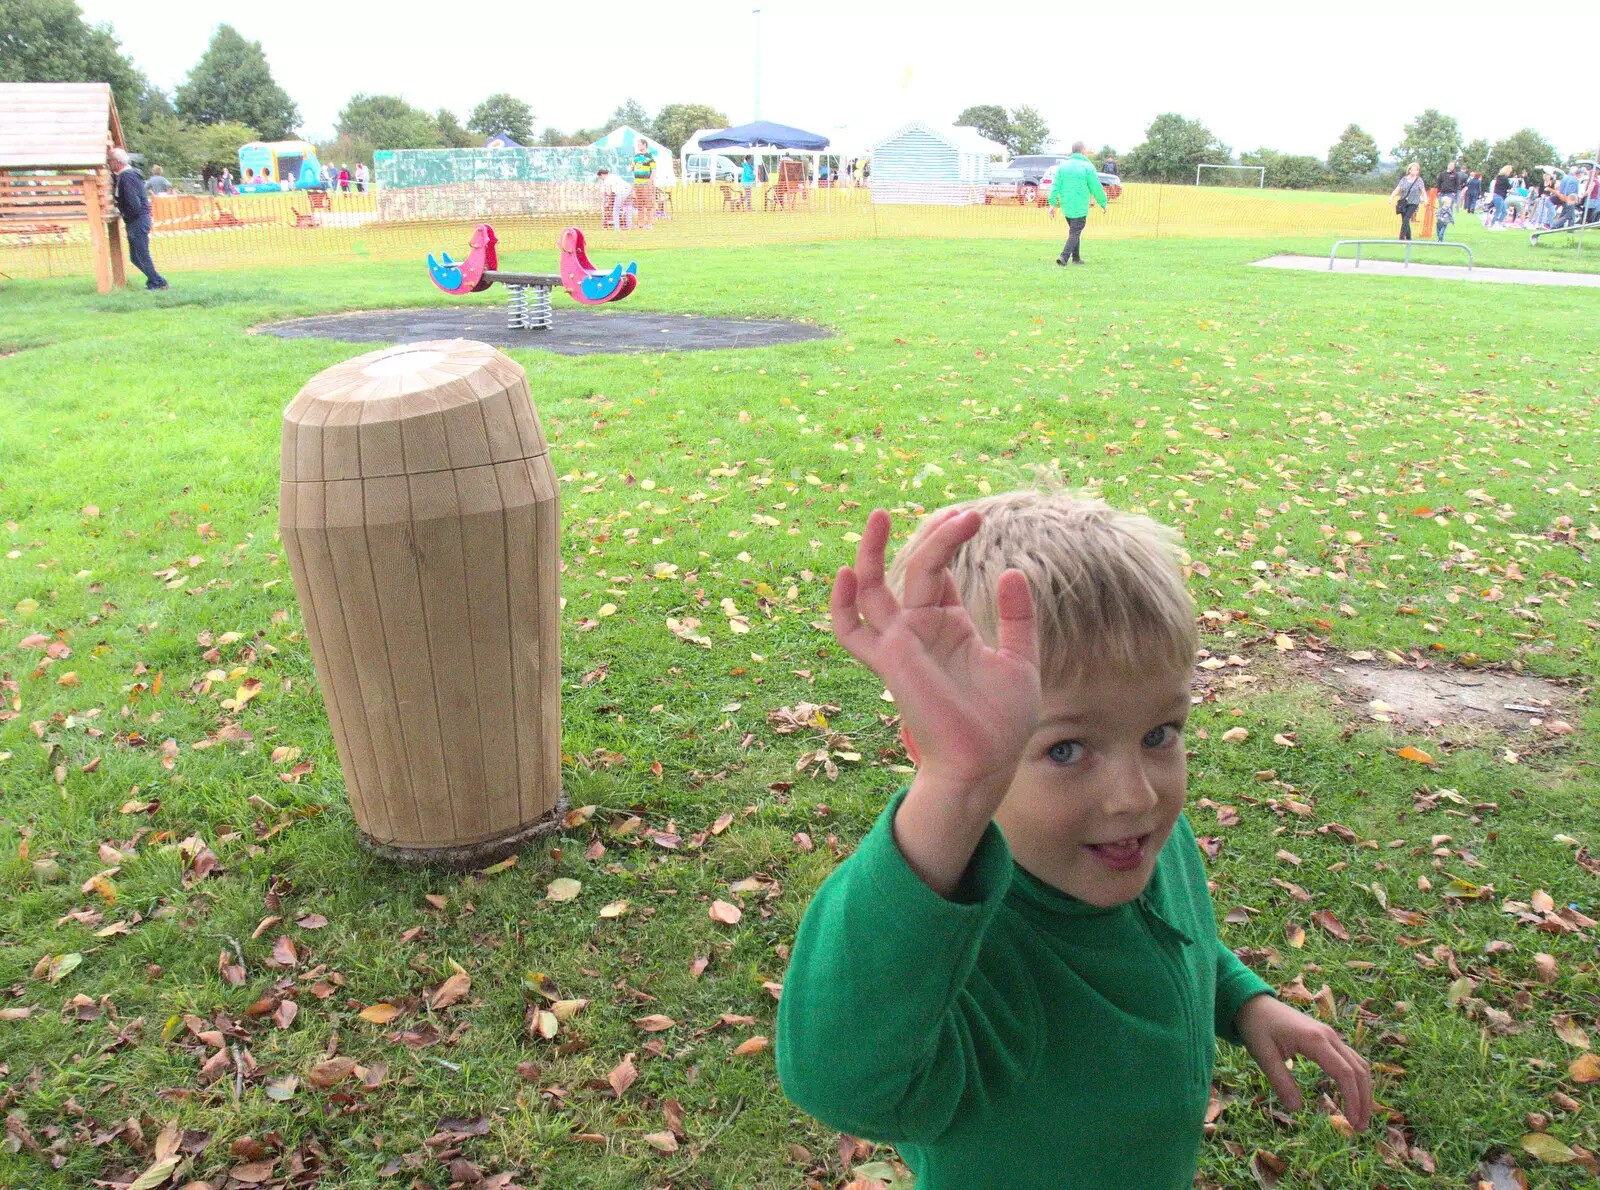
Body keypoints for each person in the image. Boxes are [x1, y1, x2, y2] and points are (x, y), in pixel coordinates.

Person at [777, 490, 1374, 1190]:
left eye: (1159, 735)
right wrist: (955, 788)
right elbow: (842, 1082)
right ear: (938, 752)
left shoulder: (1145, 843)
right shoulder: (976, 962)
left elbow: (1173, 938)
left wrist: (1242, 1000)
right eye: (1066, 751)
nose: (1137, 795)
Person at [108, 147, 168, 291]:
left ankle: (157, 283)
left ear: (117, 162)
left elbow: (134, 203)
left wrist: (123, 212)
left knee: (141, 255)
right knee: (136, 257)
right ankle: (158, 282)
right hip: (137, 220)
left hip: (137, 220)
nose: (108, 163)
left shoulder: (127, 177)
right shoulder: (127, 176)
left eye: (110, 160)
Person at [1046, 141, 1108, 265]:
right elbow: (1095, 187)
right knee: (1075, 232)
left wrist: (1052, 203)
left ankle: (1076, 258)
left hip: (1067, 205)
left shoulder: (1062, 167)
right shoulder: (1087, 167)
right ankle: (1064, 257)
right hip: (1080, 205)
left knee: (1074, 230)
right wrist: (1103, 202)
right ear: (1083, 151)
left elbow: (1055, 186)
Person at [1391, 162, 1425, 239]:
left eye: (1416, 170)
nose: (1414, 172)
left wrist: (1425, 199)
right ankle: (1409, 239)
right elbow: (1397, 189)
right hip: (1403, 202)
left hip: (1414, 203)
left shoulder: (1419, 180)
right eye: (1413, 170)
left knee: (1406, 219)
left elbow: (1423, 191)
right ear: (1409, 170)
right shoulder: (1404, 180)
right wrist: (1391, 197)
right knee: (1405, 221)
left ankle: (1401, 238)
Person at [631, 137, 657, 229]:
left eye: (639, 144)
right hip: (637, 184)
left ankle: (649, 223)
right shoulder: (636, 157)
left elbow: (653, 171)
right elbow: (631, 167)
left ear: (644, 145)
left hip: (646, 184)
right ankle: (641, 224)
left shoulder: (650, 157)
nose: (638, 146)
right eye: (637, 145)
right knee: (639, 205)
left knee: (648, 204)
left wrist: (650, 183)